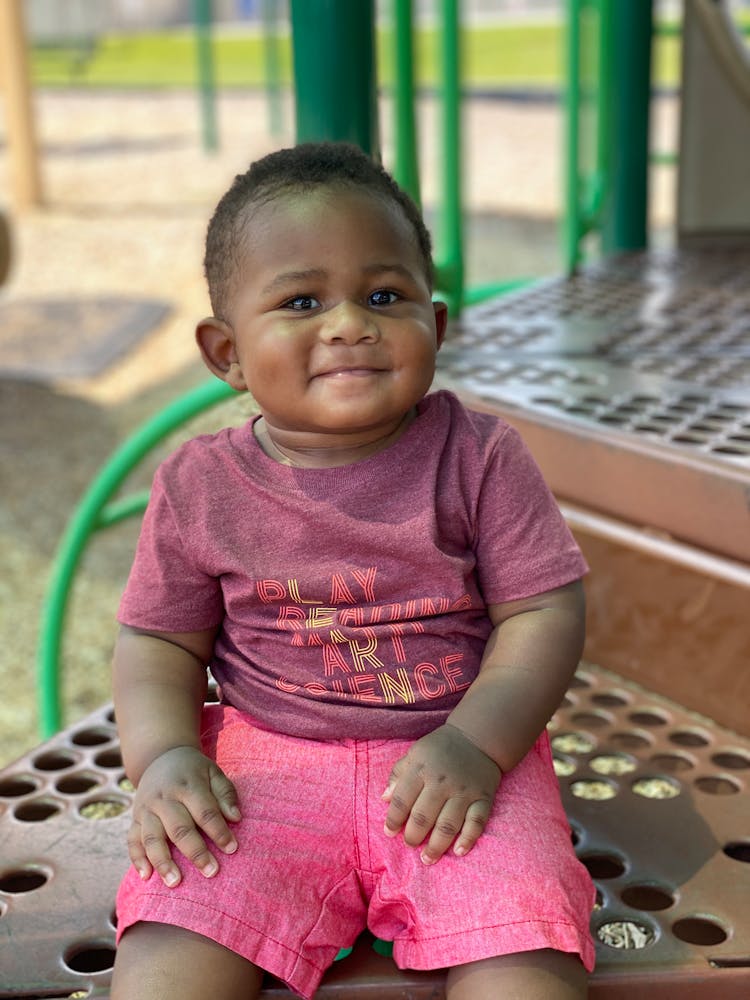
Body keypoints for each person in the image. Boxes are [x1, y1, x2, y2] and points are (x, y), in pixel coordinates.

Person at [110, 142, 595, 1000]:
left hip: (461, 758)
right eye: (302, 300)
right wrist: (163, 757)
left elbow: (542, 613)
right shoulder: (198, 485)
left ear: (434, 328)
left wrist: (478, 744)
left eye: (384, 295)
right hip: (265, 770)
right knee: (175, 934)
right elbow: (158, 645)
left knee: (525, 954)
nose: (348, 324)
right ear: (225, 352)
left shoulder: (479, 456)